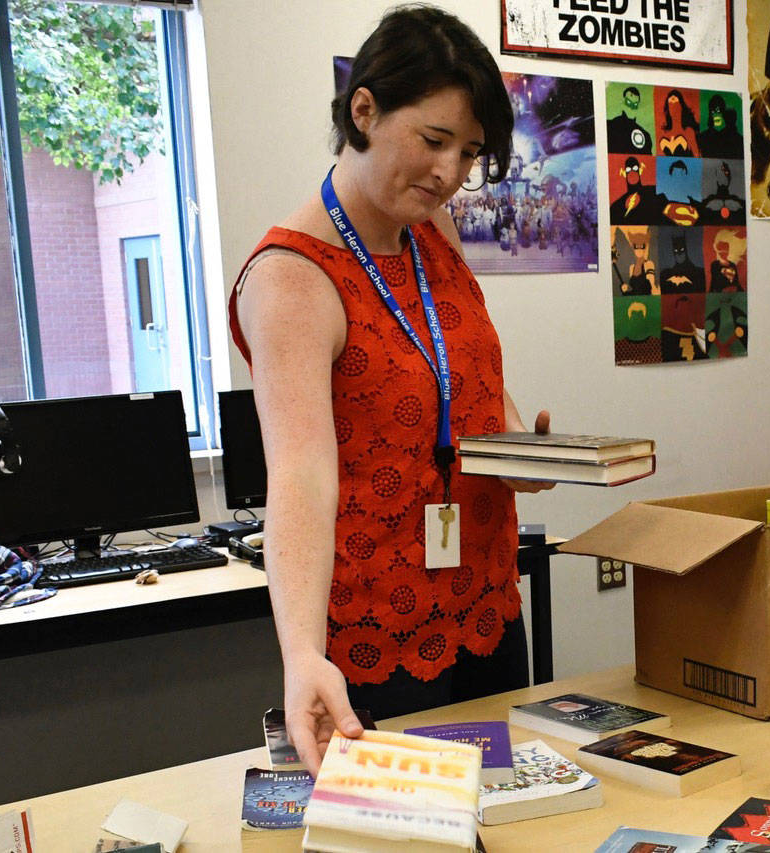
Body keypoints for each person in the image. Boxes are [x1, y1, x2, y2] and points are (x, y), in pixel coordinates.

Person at [228, 5, 552, 776]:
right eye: (435, 141)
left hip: (482, 597)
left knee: (502, 814)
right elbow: (301, 474)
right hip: (381, 629)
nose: (451, 174)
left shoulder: (432, 232)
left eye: (469, 153)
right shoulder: (289, 278)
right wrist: (301, 651)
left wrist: (526, 453)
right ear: (363, 110)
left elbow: (464, 380)